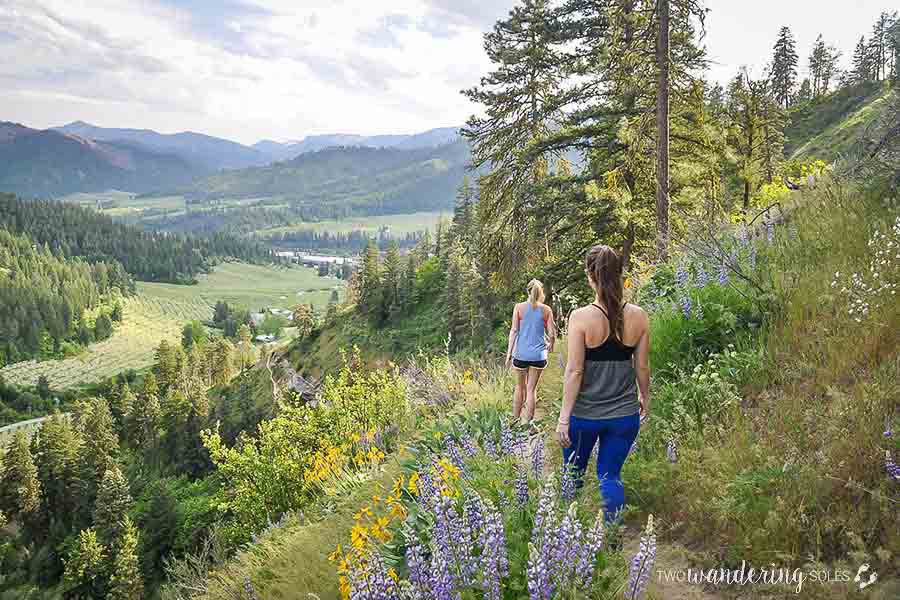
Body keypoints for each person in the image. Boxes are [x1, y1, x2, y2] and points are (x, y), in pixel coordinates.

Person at [555, 245, 650, 522]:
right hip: (624, 415)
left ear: (590, 276)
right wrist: (645, 396)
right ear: (619, 275)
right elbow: (642, 366)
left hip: (584, 417)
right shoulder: (639, 315)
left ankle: (569, 535)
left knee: (573, 476)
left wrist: (563, 419)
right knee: (610, 476)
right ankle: (612, 539)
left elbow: (574, 371)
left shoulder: (581, 317)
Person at [506, 279, 556, 425]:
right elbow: (552, 333)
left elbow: (514, 330)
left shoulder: (519, 308)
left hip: (521, 354)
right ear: (541, 292)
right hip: (538, 356)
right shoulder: (546, 310)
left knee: (519, 387)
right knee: (531, 389)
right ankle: (529, 424)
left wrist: (509, 353)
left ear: (527, 291)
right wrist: (551, 345)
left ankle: (515, 421)